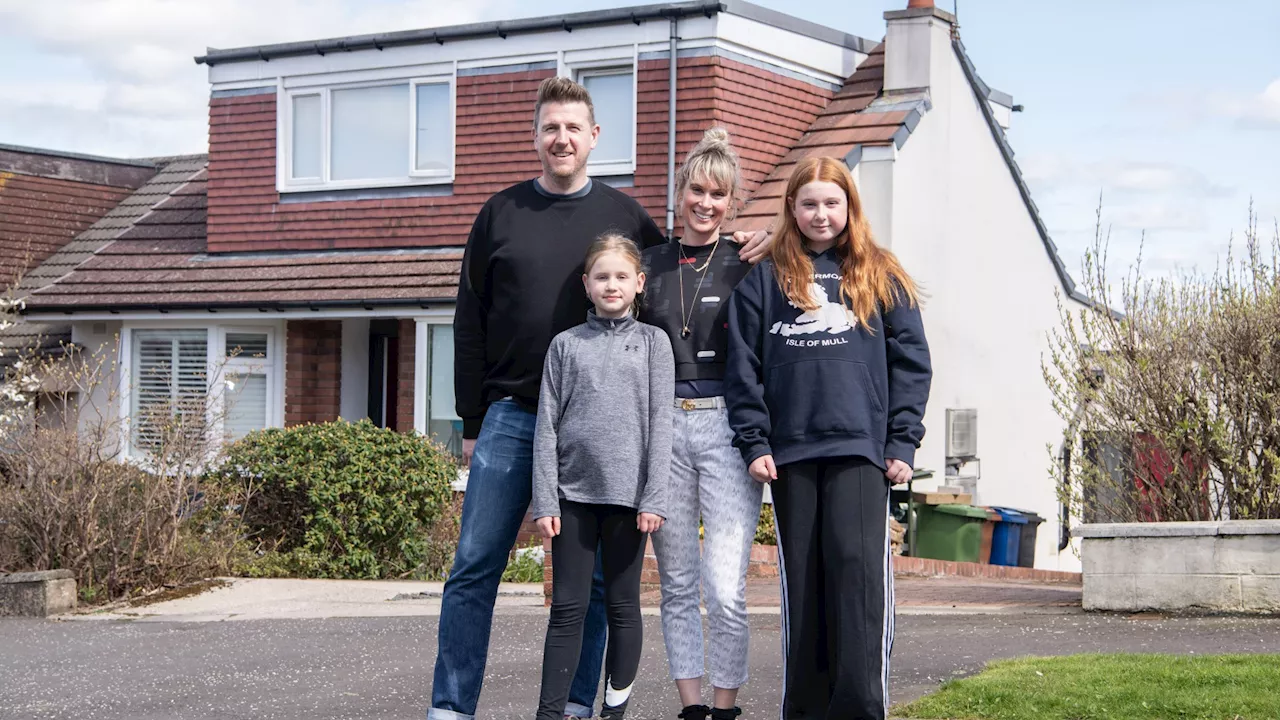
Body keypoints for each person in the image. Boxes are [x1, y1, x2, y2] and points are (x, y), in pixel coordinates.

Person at [438, 76, 771, 720]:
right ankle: (450, 707)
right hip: (511, 416)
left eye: (572, 128)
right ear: (535, 137)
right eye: (549, 128)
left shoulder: (623, 217)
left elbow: (688, 250)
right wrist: (472, 419)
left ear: (594, 137)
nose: (560, 138)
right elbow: (467, 318)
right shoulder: (499, 213)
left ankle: (576, 706)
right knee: (475, 567)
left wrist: (762, 237)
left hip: (601, 431)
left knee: (589, 586)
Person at [723, 156, 932, 720]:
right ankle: (808, 710)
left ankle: (861, 708)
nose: (821, 214)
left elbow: (911, 363)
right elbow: (742, 369)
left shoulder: (879, 273)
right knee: (807, 589)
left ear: (849, 208)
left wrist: (901, 443)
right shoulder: (765, 280)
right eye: (809, 203)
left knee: (857, 582)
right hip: (790, 455)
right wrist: (755, 442)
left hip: (862, 454)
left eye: (831, 203)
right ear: (791, 208)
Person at [639, 128, 759, 720]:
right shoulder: (649, 265)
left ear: (732, 201)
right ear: (679, 190)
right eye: (696, 190)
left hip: (729, 431)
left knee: (725, 587)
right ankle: (692, 708)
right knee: (678, 582)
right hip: (664, 430)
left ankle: (726, 706)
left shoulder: (748, 262)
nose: (705, 203)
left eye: (718, 194)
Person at [531, 235, 674, 720]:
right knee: (567, 610)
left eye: (620, 277)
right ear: (586, 286)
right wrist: (546, 500)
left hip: (630, 502)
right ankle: (549, 713)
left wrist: (654, 496)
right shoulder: (565, 346)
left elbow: (661, 425)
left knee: (622, 606)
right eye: (600, 277)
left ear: (638, 283)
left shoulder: (655, 344)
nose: (610, 285)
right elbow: (546, 426)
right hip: (572, 498)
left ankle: (615, 711)